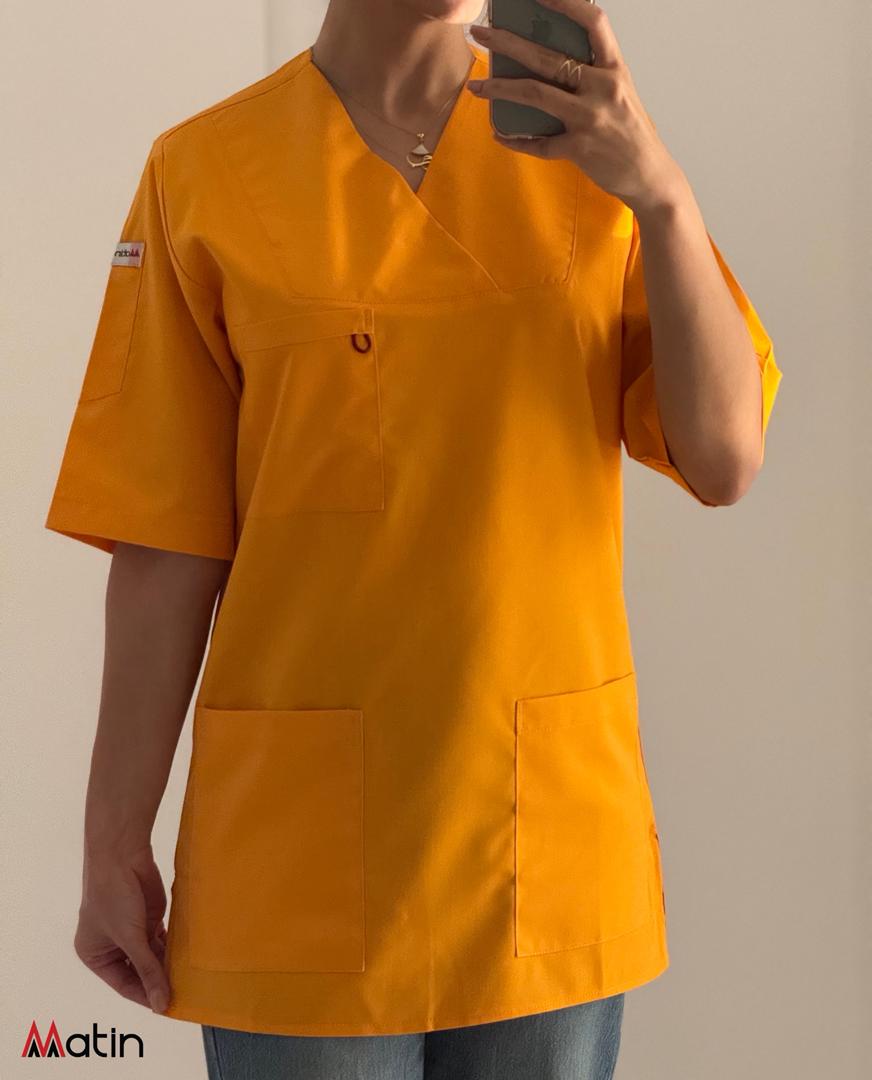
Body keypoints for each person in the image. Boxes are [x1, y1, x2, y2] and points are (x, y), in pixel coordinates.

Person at [43, 0, 782, 1077]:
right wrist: (113, 839)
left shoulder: (595, 156)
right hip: (294, 857)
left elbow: (723, 460)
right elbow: (166, 542)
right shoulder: (203, 173)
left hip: (541, 836)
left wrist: (662, 195)